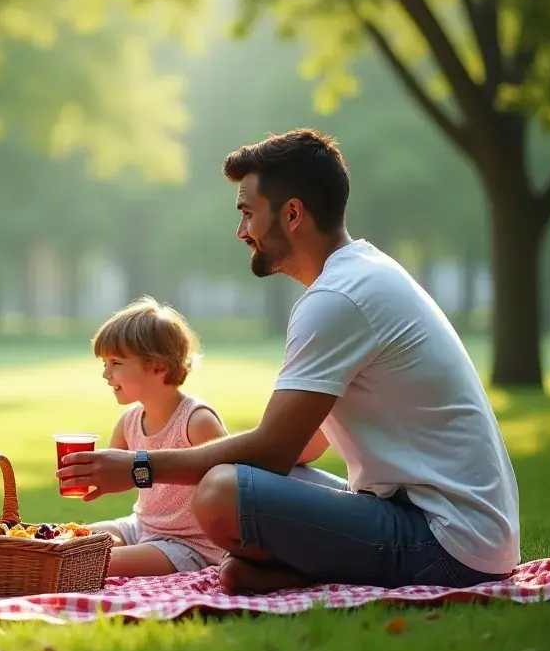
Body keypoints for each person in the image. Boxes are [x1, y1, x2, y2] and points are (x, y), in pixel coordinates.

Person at [58, 129, 520, 594]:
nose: (242, 232)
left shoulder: (337, 298)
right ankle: (297, 568)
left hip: (448, 542)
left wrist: (139, 466)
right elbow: (302, 446)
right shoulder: (361, 274)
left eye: (247, 214)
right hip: (438, 523)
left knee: (222, 492)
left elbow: (274, 449)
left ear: (293, 214)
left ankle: (305, 565)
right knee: (244, 488)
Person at [86, 297, 227, 577]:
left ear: (158, 367)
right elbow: (119, 474)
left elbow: (229, 488)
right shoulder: (129, 422)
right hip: (140, 527)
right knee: (69, 540)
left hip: (189, 544)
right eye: (104, 363)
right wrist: (89, 474)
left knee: (94, 562)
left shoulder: (197, 422)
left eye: (115, 363)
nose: (105, 373)